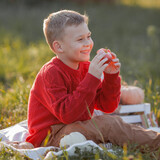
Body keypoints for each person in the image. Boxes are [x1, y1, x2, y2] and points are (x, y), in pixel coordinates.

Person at [25, 10, 160, 152]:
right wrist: (92, 77)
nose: (88, 43)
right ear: (59, 46)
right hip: (50, 136)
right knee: (109, 124)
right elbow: (67, 115)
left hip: (76, 128)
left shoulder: (85, 68)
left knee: (109, 122)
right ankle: (156, 143)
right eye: (80, 39)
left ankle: (79, 144)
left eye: (88, 36)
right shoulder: (51, 73)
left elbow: (107, 106)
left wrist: (110, 76)